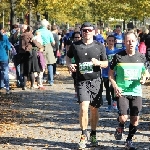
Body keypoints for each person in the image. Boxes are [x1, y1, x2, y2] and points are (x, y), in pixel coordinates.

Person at [66, 22, 108, 149]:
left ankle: (93, 134)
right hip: (81, 81)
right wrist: (69, 65)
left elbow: (106, 63)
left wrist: (98, 63)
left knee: (94, 109)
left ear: (94, 32)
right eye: (84, 30)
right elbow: (68, 57)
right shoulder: (75, 45)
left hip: (96, 81)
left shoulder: (99, 46)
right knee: (84, 107)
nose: (87, 32)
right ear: (82, 32)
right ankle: (84, 135)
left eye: (89, 30)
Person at [109, 31, 147, 150]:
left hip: (136, 92)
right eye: (128, 41)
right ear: (124, 42)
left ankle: (129, 140)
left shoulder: (141, 57)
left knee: (135, 119)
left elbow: (146, 72)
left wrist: (145, 78)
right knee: (124, 117)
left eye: (132, 41)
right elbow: (110, 74)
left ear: (136, 42)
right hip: (122, 91)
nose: (130, 43)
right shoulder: (118, 56)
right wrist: (115, 85)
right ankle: (121, 125)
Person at [102, 35, 120, 112]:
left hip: (114, 73)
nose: (111, 42)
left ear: (115, 42)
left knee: (113, 88)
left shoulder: (118, 51)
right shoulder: (104, 50)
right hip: (105, 73)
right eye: (109, 40)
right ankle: (109, 104)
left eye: (112, 41)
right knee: (107, 89)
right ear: (107, 41)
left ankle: (115, 103)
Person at [37, 19, 55, 86]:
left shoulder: (37, 31)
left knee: (41, 64)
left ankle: (41, 80)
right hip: (48, 48)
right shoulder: (49, 32)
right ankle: (51, 81)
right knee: (50, 64)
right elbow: (53, 42)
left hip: (40, 48)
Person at [0, 25, 11, 94]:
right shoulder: (4, 37)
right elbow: (8, 47)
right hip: (3, 56)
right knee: (5, 72)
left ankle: (1, 86)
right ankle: (6, 87)